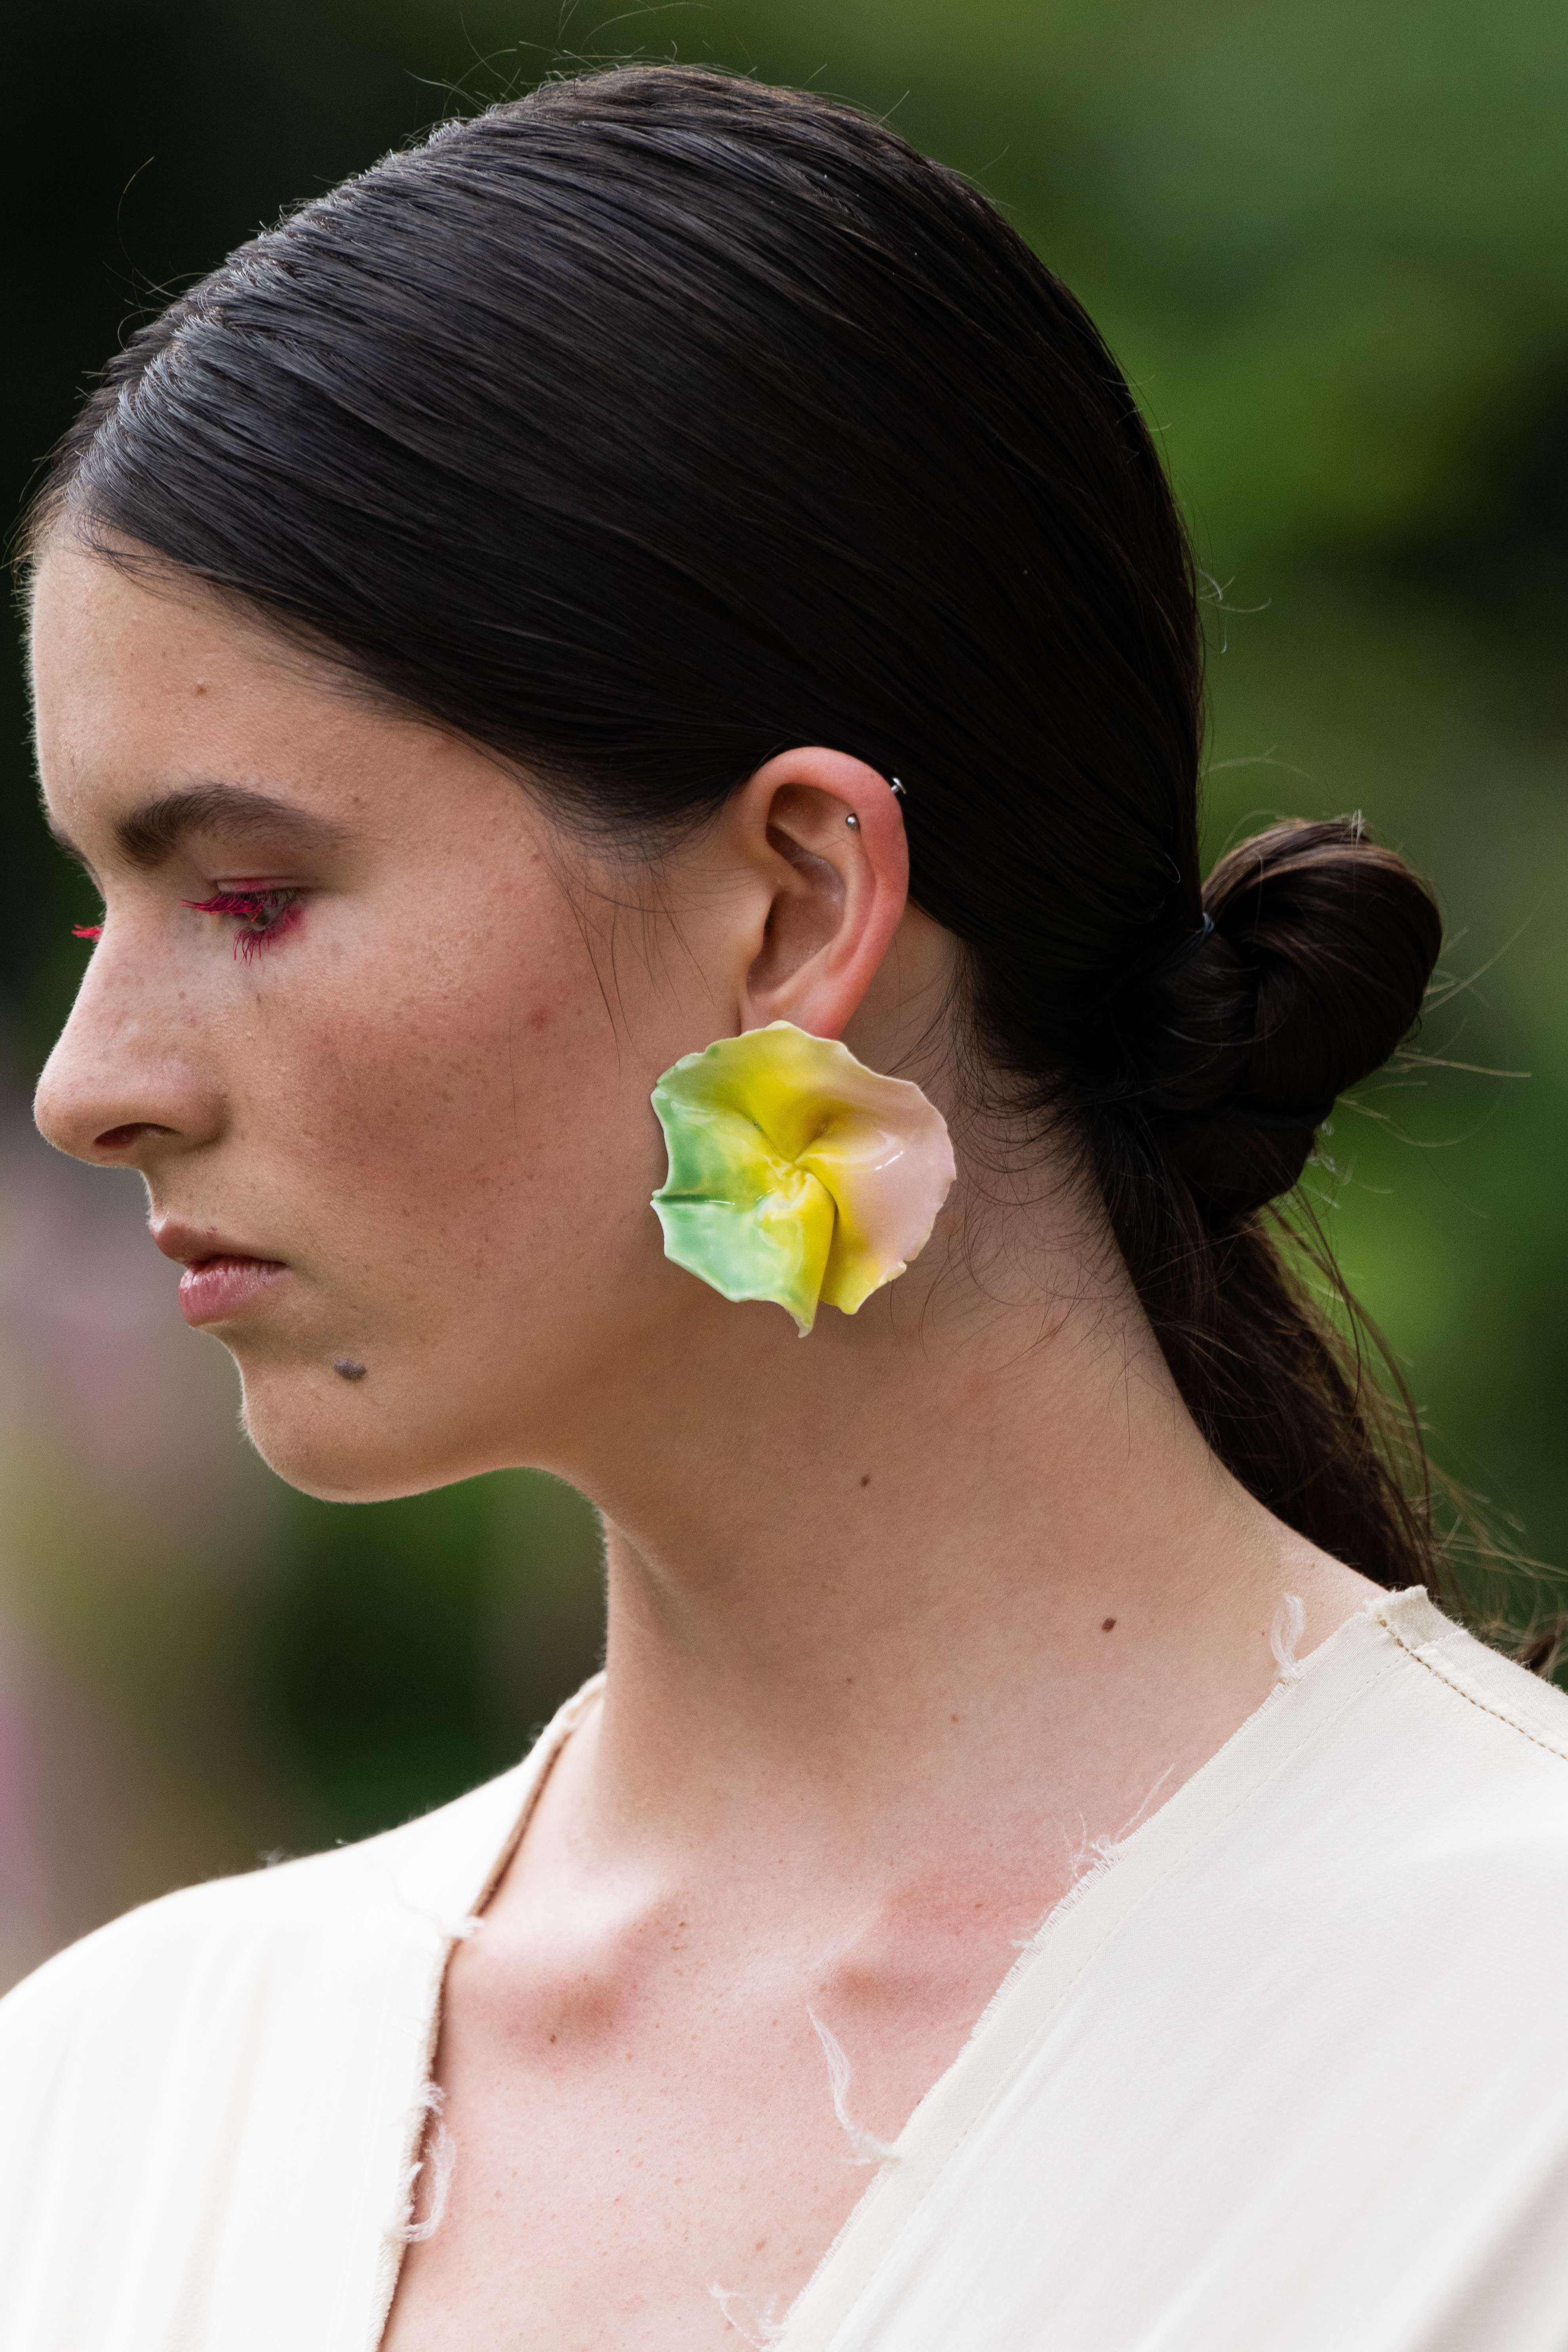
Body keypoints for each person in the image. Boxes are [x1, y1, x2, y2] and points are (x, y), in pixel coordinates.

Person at [4, 61, 1567, 2352]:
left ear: (796, 897)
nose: (87, 1089)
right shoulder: (105, 2111)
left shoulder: (1511, 2055)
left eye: (244, 893)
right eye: (89, 920)